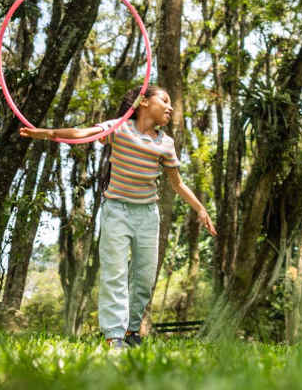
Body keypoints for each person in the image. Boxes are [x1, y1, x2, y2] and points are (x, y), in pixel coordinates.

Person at [20, 84, 216, 349]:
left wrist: (200, 208)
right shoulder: (118, 128)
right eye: (165, 100)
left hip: (147, 214)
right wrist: (46, 133)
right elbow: (83, 133)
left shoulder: (166, 144)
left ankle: (131, 330)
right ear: (143, 102)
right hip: (116, 210)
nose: (171, 107)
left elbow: (177, 183)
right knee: (115, 273)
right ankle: (114, 335)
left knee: (145, 278)